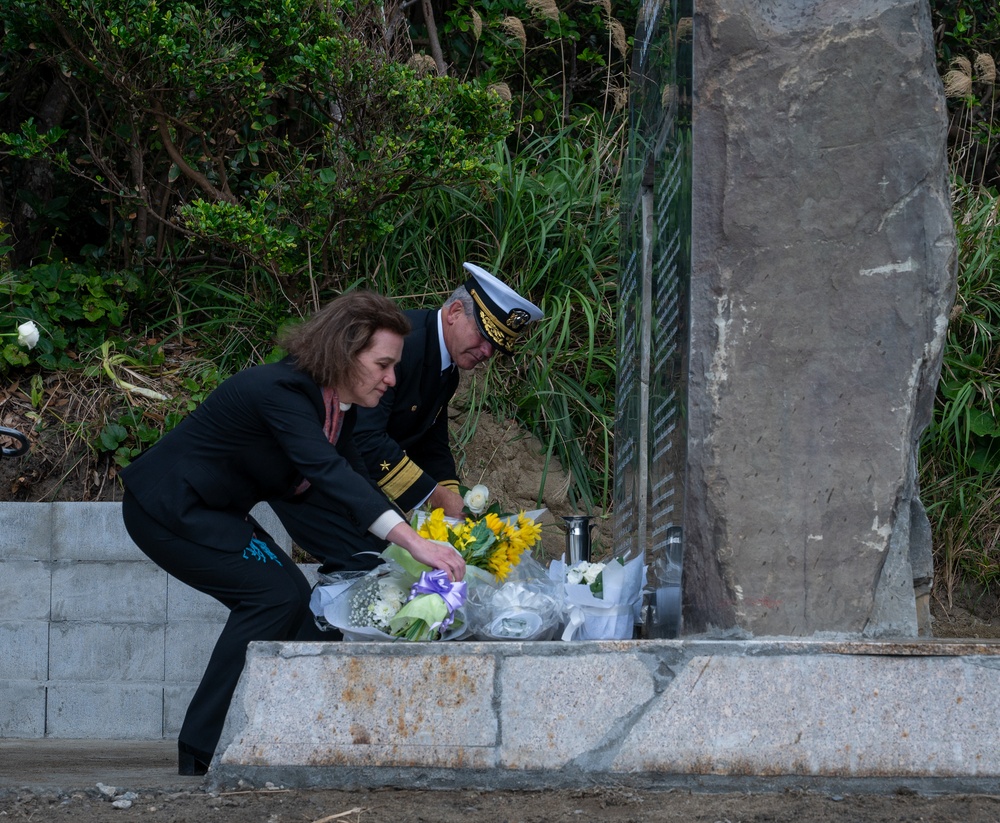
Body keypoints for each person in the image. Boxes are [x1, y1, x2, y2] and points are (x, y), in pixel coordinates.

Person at [120, 291, 466, 776]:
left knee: (296, 601)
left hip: (216, 511)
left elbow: (358, 481)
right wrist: (413, 542)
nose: (392, 380)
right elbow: (326, 471)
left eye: (395, 368)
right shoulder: (279, 391)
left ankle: (291, 736)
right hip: (165, 508)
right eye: (384, 365)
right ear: (345, 353)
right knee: (272, 598)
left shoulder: (334, 406)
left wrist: (406, 545)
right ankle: (201, 750)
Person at [269, 262, 543, 574]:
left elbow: (430, 441)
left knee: (376, 563)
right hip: (311, 474)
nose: (487, 352)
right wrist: (433, 495)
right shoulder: (402, 346)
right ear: (454, 311)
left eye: (495, 346)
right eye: (483, 336)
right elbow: (365, 437)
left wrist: (452, 499)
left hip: (350, 477)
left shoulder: (446, 363)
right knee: (366, 564)